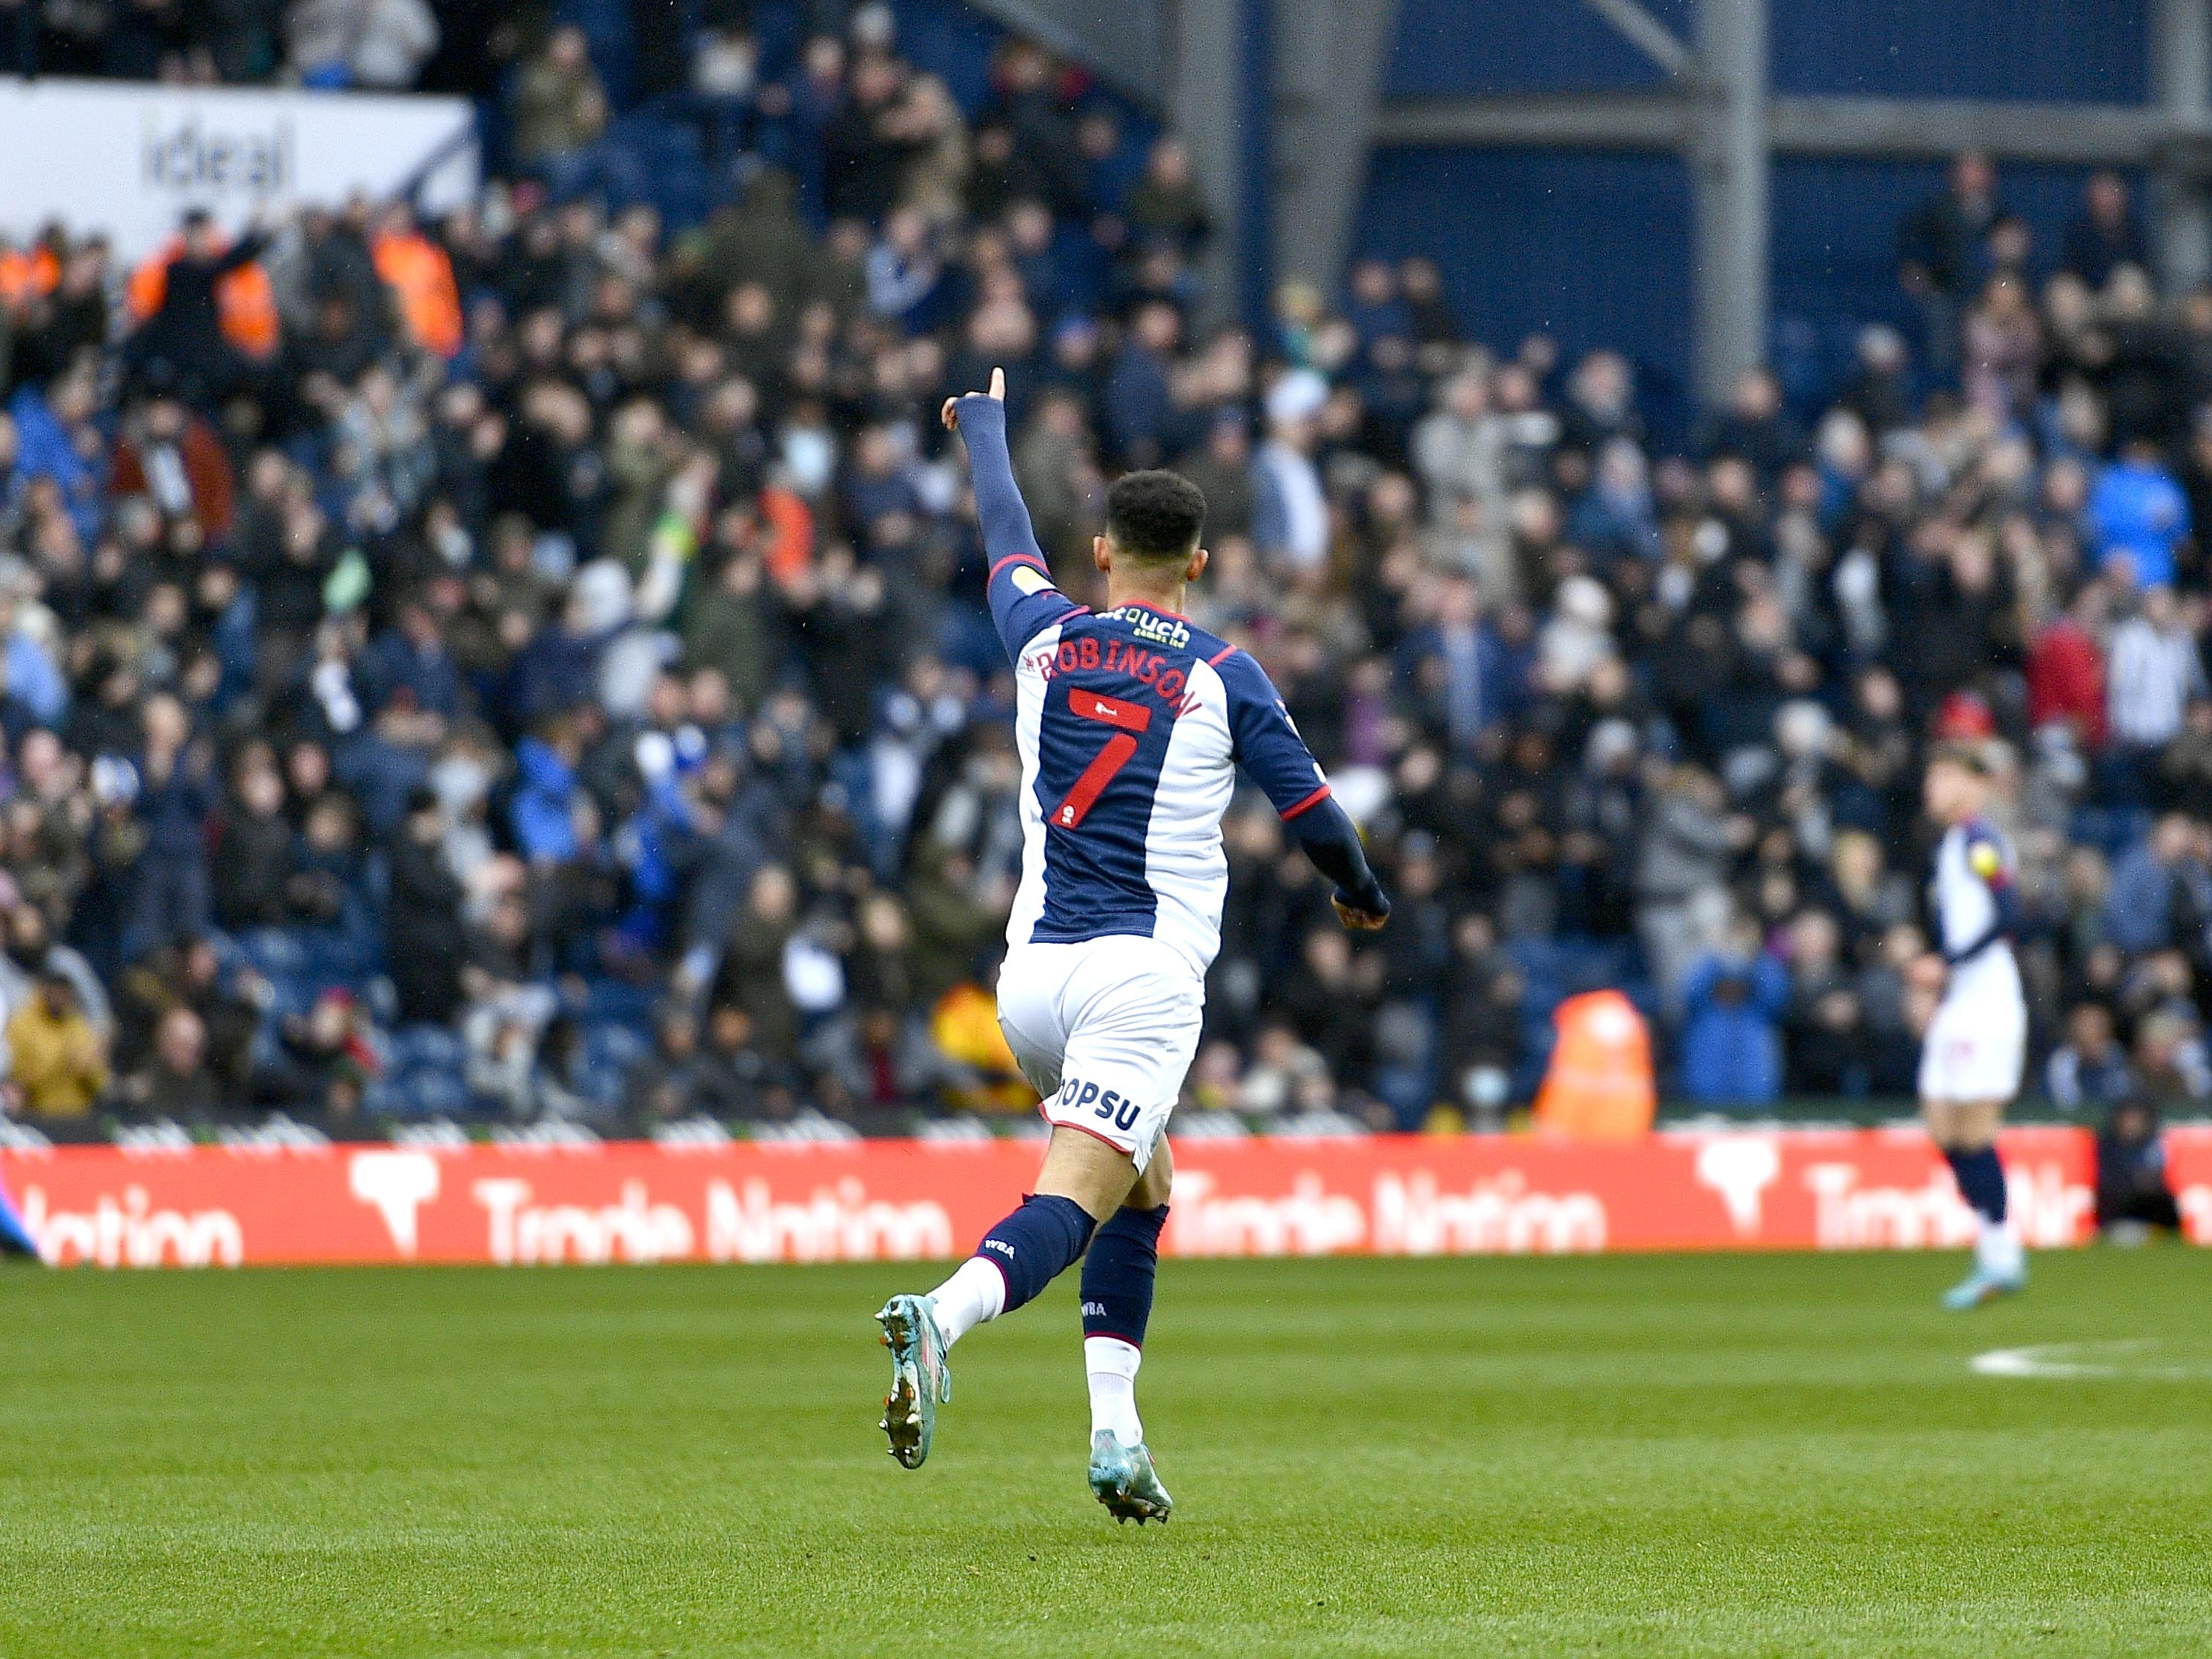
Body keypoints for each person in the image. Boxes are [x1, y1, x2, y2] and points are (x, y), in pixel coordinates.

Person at [872, 368, 1391, 1521]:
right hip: (1138, 979)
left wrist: (987, 428)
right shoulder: (1223, 675)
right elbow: (1312, 812)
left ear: (1100, 550)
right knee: (1077, 1191)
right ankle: (941, 1314)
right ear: (1199, 563)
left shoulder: (1042, 636)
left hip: (1033, 983)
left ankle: (1118, 1438)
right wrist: (1361, 894)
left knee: (1144, 1185)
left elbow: (1004, 533)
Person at [1908, 745, 2028, 1310]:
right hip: (1961, 1002)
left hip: (1987, 1003)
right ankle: (1996, 1245)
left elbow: (2008, 915)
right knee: (1941, 1124)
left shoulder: (1981, 841)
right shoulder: (1955, 843)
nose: (1932, 786)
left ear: (1974, 783)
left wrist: (1948, 963)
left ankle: (2000, 1256)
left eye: (1943, 774)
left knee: (1972, 1130)